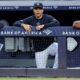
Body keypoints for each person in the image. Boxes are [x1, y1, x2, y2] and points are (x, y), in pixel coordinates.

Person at [13, 2, 60, 69]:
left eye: (40, 9)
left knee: (60, 48)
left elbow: (57, 23)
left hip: (50, 45)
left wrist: (44, 26)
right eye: (36, 9)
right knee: (41, 73)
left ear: (42, 10)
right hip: (39, 49)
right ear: (33, 10)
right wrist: (23, 25)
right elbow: (15, 23)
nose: (38, 10)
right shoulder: (30, 19)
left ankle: (55, 70)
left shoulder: (47, 17)